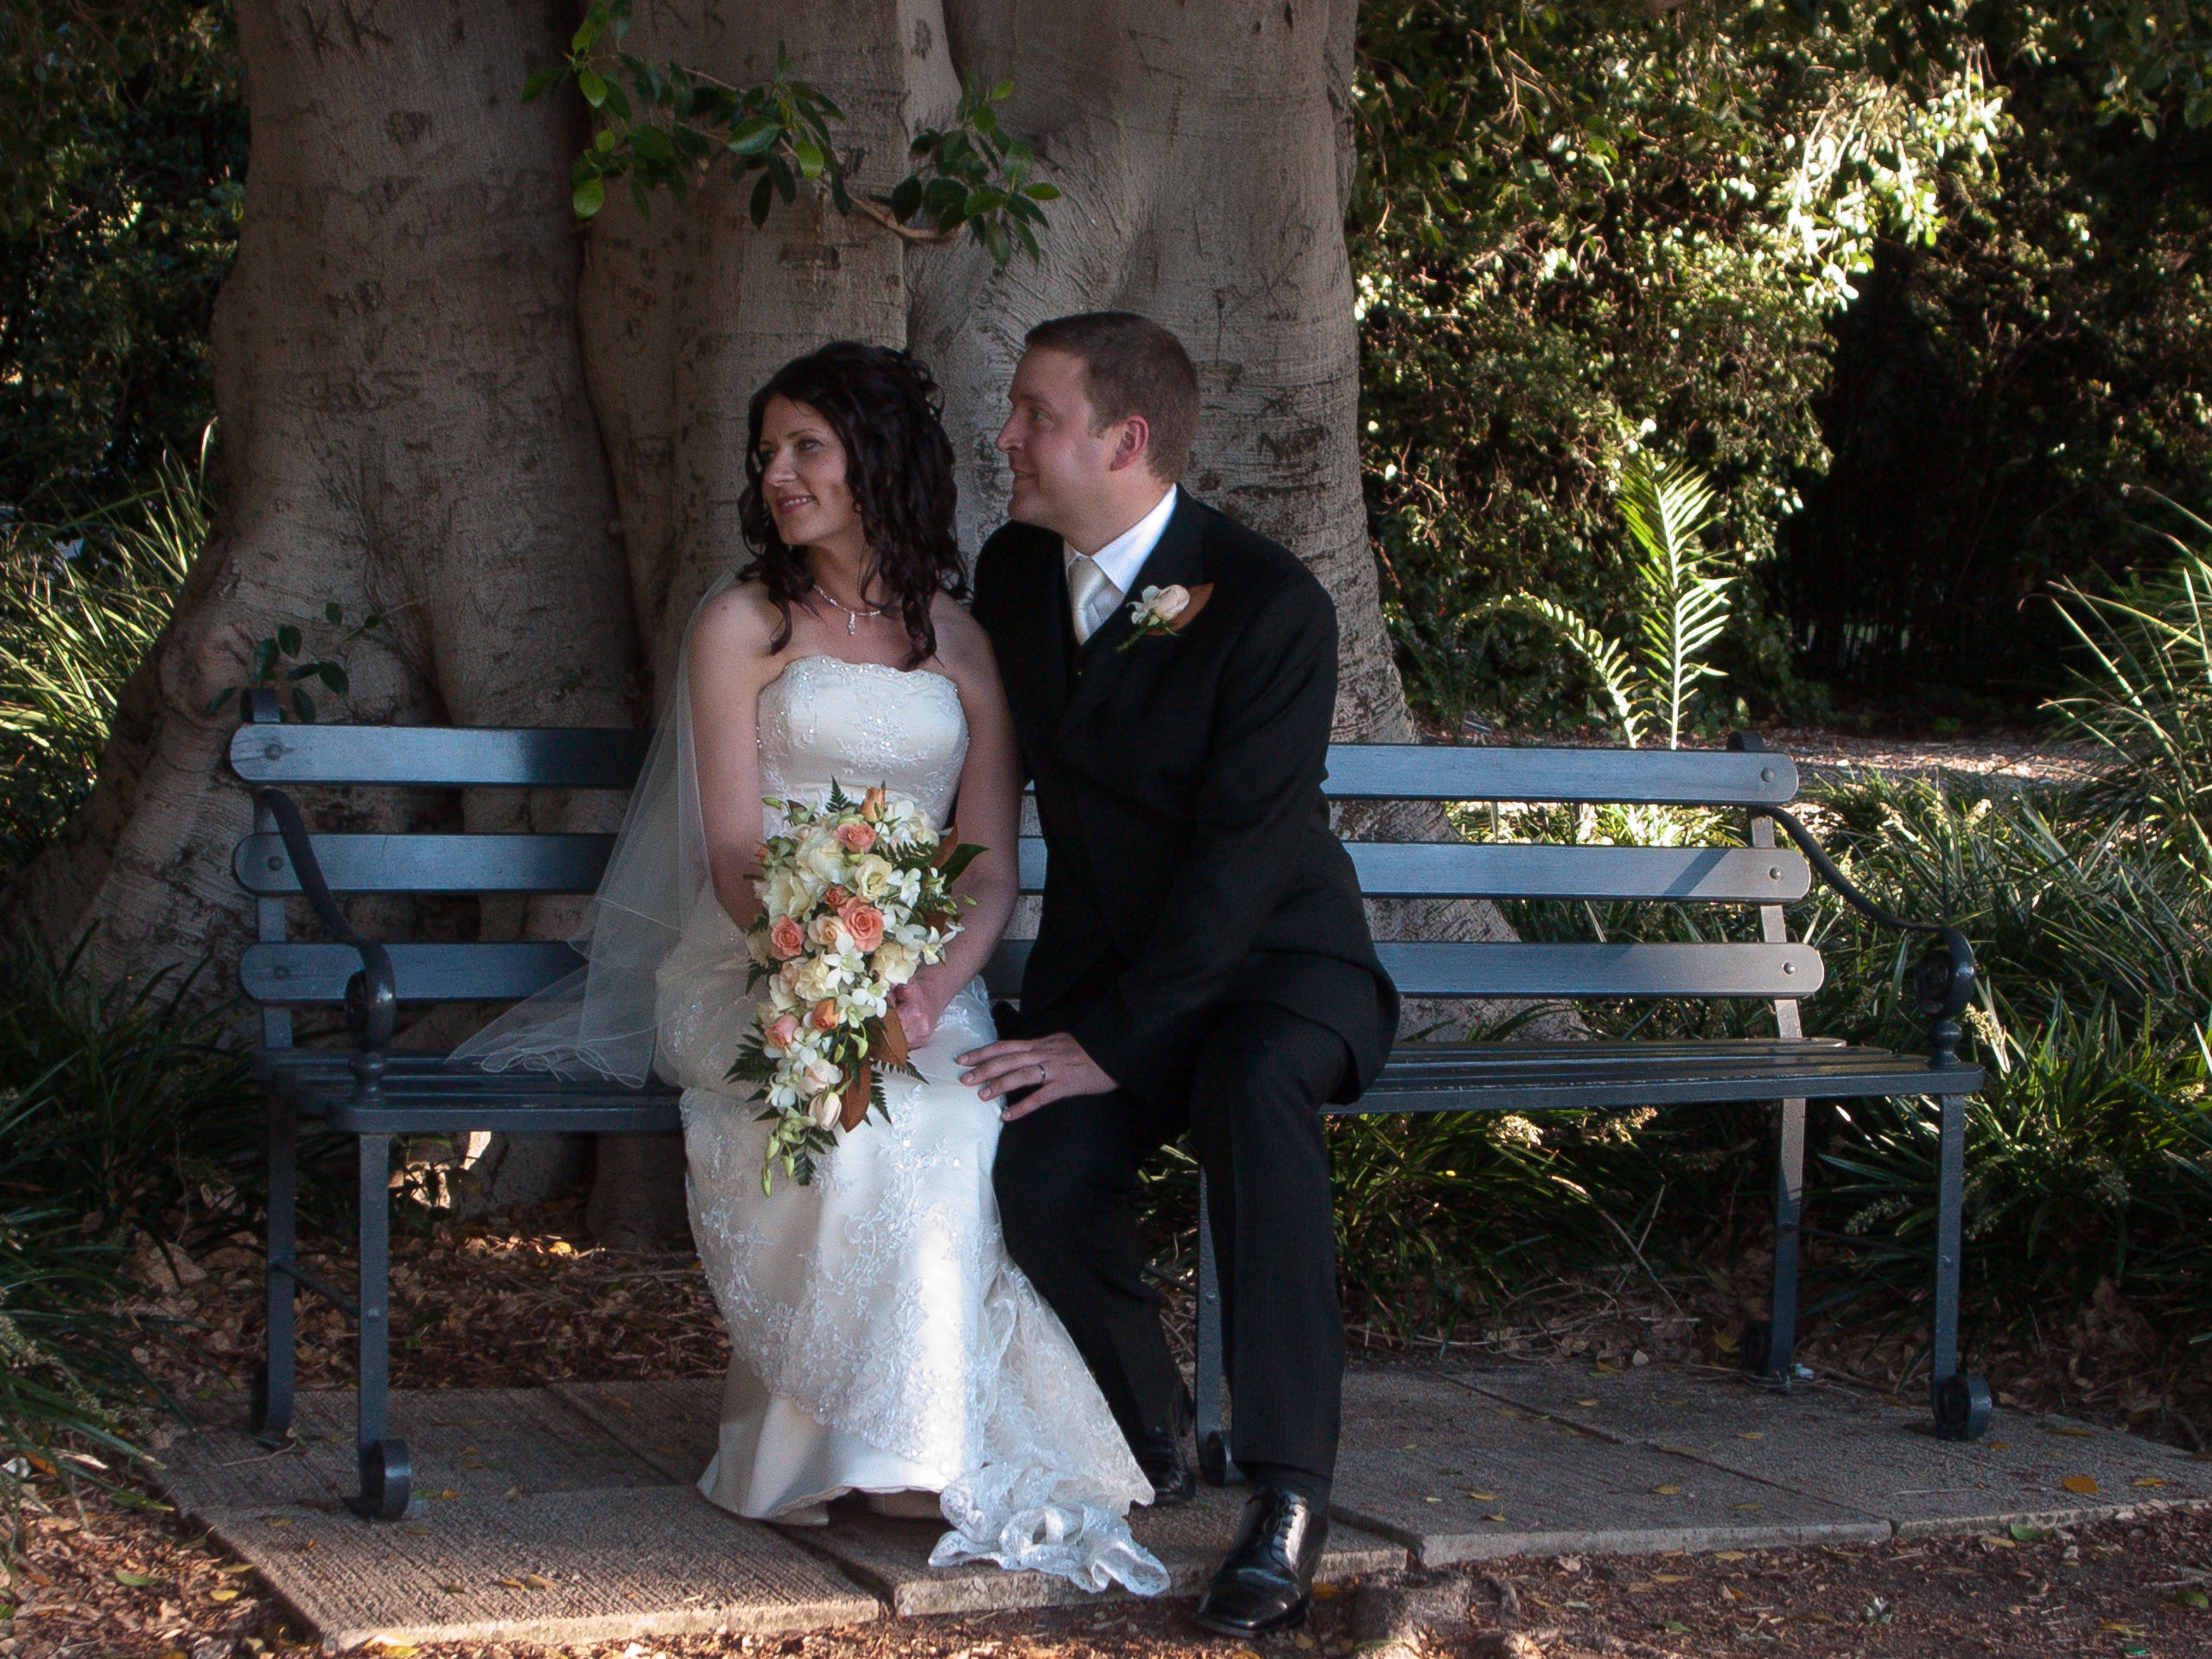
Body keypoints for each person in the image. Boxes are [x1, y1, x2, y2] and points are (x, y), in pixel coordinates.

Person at [456, 342, 1166, 1598]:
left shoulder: (963, 641)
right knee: (847, 1119)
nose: (776, 474)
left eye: (806, 448)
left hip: (927, 978)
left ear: (875, 461)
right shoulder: (744, 626)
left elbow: (988, 869)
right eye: (767, 453)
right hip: (760, 963)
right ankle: (838, 1447)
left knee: (949, 1115)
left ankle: (910, 1442)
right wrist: (813, 968)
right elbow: (734, 851)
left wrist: (928, 985)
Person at [963, 312, 1401, 1637]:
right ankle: (1150, 1432)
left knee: (1252, 1095)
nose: (1006, 438)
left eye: (1035, 416)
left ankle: (1287, 1494)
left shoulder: (1271, 604)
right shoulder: (1013, 574)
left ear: (1125, 439)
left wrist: (1112, 1042)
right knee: (1037, 1165)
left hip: (1277, 968)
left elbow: (1241, 860)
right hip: (1113, 979)